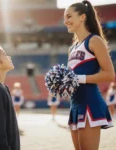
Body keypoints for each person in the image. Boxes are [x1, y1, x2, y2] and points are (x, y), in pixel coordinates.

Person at [64, 1, 115, 150]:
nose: (65, 21)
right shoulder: (72, 48)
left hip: (89, 104)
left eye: (69, 16)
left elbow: (109, 74)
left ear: (82, 17)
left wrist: (79, 79)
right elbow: (71, 79)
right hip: (75, 105)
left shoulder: (94, 41)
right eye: (64, 18)